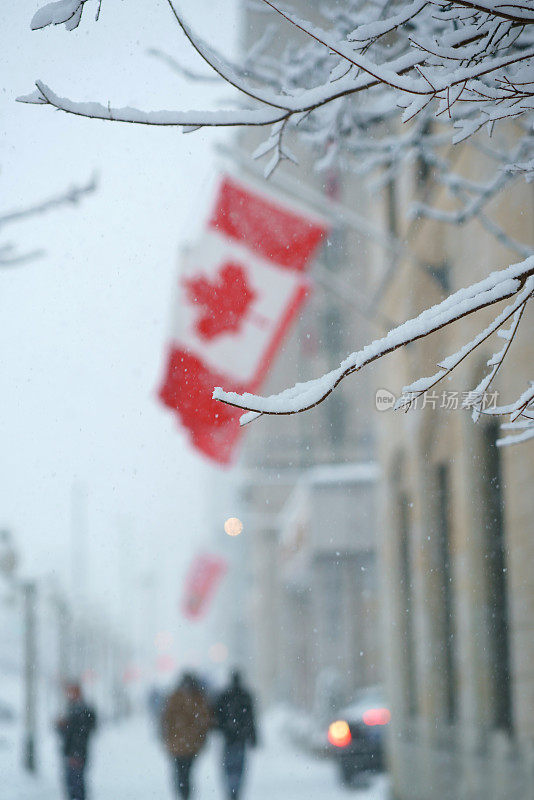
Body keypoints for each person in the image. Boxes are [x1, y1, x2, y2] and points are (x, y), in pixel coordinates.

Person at [161, 672, 212, 799]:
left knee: (180, 773)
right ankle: (186, 793)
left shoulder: (174, 698)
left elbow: (166, 720)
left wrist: (166, 737)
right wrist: (202, 739)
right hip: (192, 745)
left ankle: (183, 793)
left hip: (177, 745)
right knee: (187, 773)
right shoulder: (198, 698)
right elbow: (205, 722)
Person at [214, 670, 257, 800]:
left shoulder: (224, 695)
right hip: (240, 739)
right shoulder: (245, 695)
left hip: (229, 739)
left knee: (229, 768)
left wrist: (223, 728)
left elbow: (218, 718)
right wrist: (253, 736)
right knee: (239, 768)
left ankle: (231, 791)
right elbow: (251, 718)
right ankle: (235, 792)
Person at [55, 682, 97, 800]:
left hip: (76, 754)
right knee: (73, 786)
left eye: (71, 692)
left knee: (76, 787)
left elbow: (81, 733)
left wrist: (76, 754)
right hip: (72, 753)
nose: (69, 695)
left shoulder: (81, 710)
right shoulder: (74, 709)